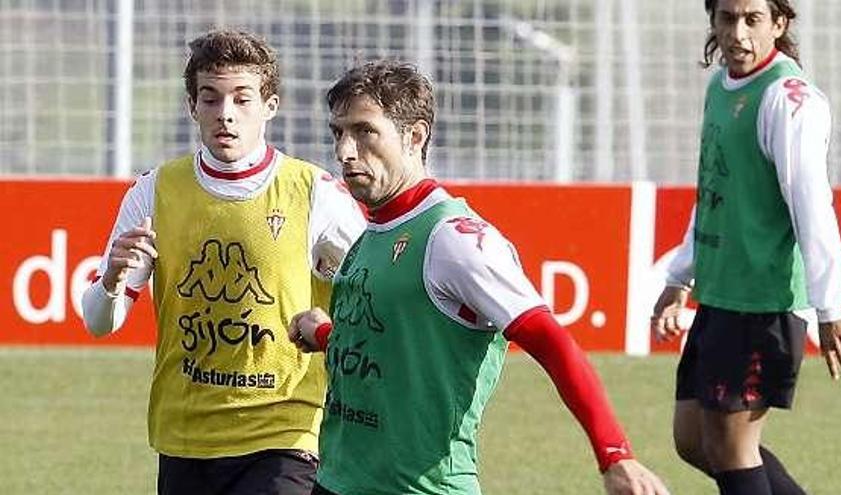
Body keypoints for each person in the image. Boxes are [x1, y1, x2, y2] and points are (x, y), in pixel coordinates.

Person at [287, 59, 669, 495]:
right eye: (338, 133)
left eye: (364, 131)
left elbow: (553, 342)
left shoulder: (454, 239)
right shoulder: (372, 230)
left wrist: (614, 455)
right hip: (336, 482)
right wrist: (324, 333)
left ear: (415, 136)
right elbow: (390, 346)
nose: (345, 152)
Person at [81, 29, 365, 495]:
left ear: (270, 105)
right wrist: (111, 279)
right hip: (185, 434)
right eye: (210, 99)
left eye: (242, 99)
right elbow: (99, 322)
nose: (225, 114)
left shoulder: (314, 192)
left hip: (285, 434)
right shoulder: (154, 192)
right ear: (192, 106)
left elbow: (371, 292)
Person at [651, 1, 841, 494]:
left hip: (762, 302)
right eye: (727, 18)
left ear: (780, 24)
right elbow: (713, 191)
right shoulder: (720, 87)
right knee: (693, 438)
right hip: (722, 294)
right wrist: (681, 275)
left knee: (730, 448)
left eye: (753, 19)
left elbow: (812, 205)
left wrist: (831, 305)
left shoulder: (789, 100)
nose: (738, 33)